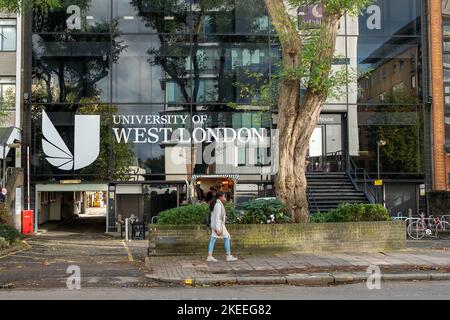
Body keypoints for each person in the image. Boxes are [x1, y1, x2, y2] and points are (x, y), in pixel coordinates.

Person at [206, 192, 238, 262]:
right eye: (224, 196)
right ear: (220, 197)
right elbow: (217, 217)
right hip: (219, 225)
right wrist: (218, 229)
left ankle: (210, 256)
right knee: (226, 237)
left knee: (213, 239)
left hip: (215, 225)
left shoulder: (216, 204)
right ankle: (228, 256)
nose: (225, 198)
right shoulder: (218, 205)